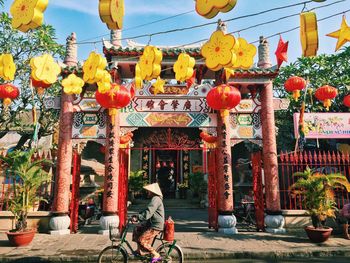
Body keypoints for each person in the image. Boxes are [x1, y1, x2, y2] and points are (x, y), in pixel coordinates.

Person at [132, 183, 165, 262]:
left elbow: (148, 212)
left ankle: (155, 254)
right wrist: (137, 216)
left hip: (156, 226)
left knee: (141, 240)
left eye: (149, 191)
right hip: (151, 224)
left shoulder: (156, 199)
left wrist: (139, 217)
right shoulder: (154, 199)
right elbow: (146, 210)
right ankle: (140, 250)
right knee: (137, 229)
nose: (147, 192)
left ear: (153, 192)